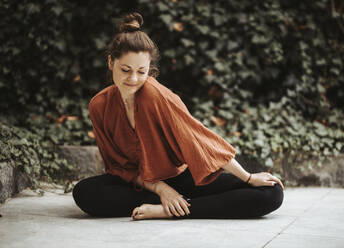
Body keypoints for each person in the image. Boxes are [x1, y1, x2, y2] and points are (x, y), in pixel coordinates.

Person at [72, 12, 284, 221]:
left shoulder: (156, 96)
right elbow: (118, 167)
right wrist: (162, 190)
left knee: (271, 194)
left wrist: (247, 177)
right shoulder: (99, 105)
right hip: (141, 184)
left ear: (149, 70)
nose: (133, 79)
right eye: (126, 70)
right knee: (84, 192)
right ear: (111, 62)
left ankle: (171, 210)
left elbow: (198, 139)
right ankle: (174, 203)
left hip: (180, 178)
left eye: (141, 71)